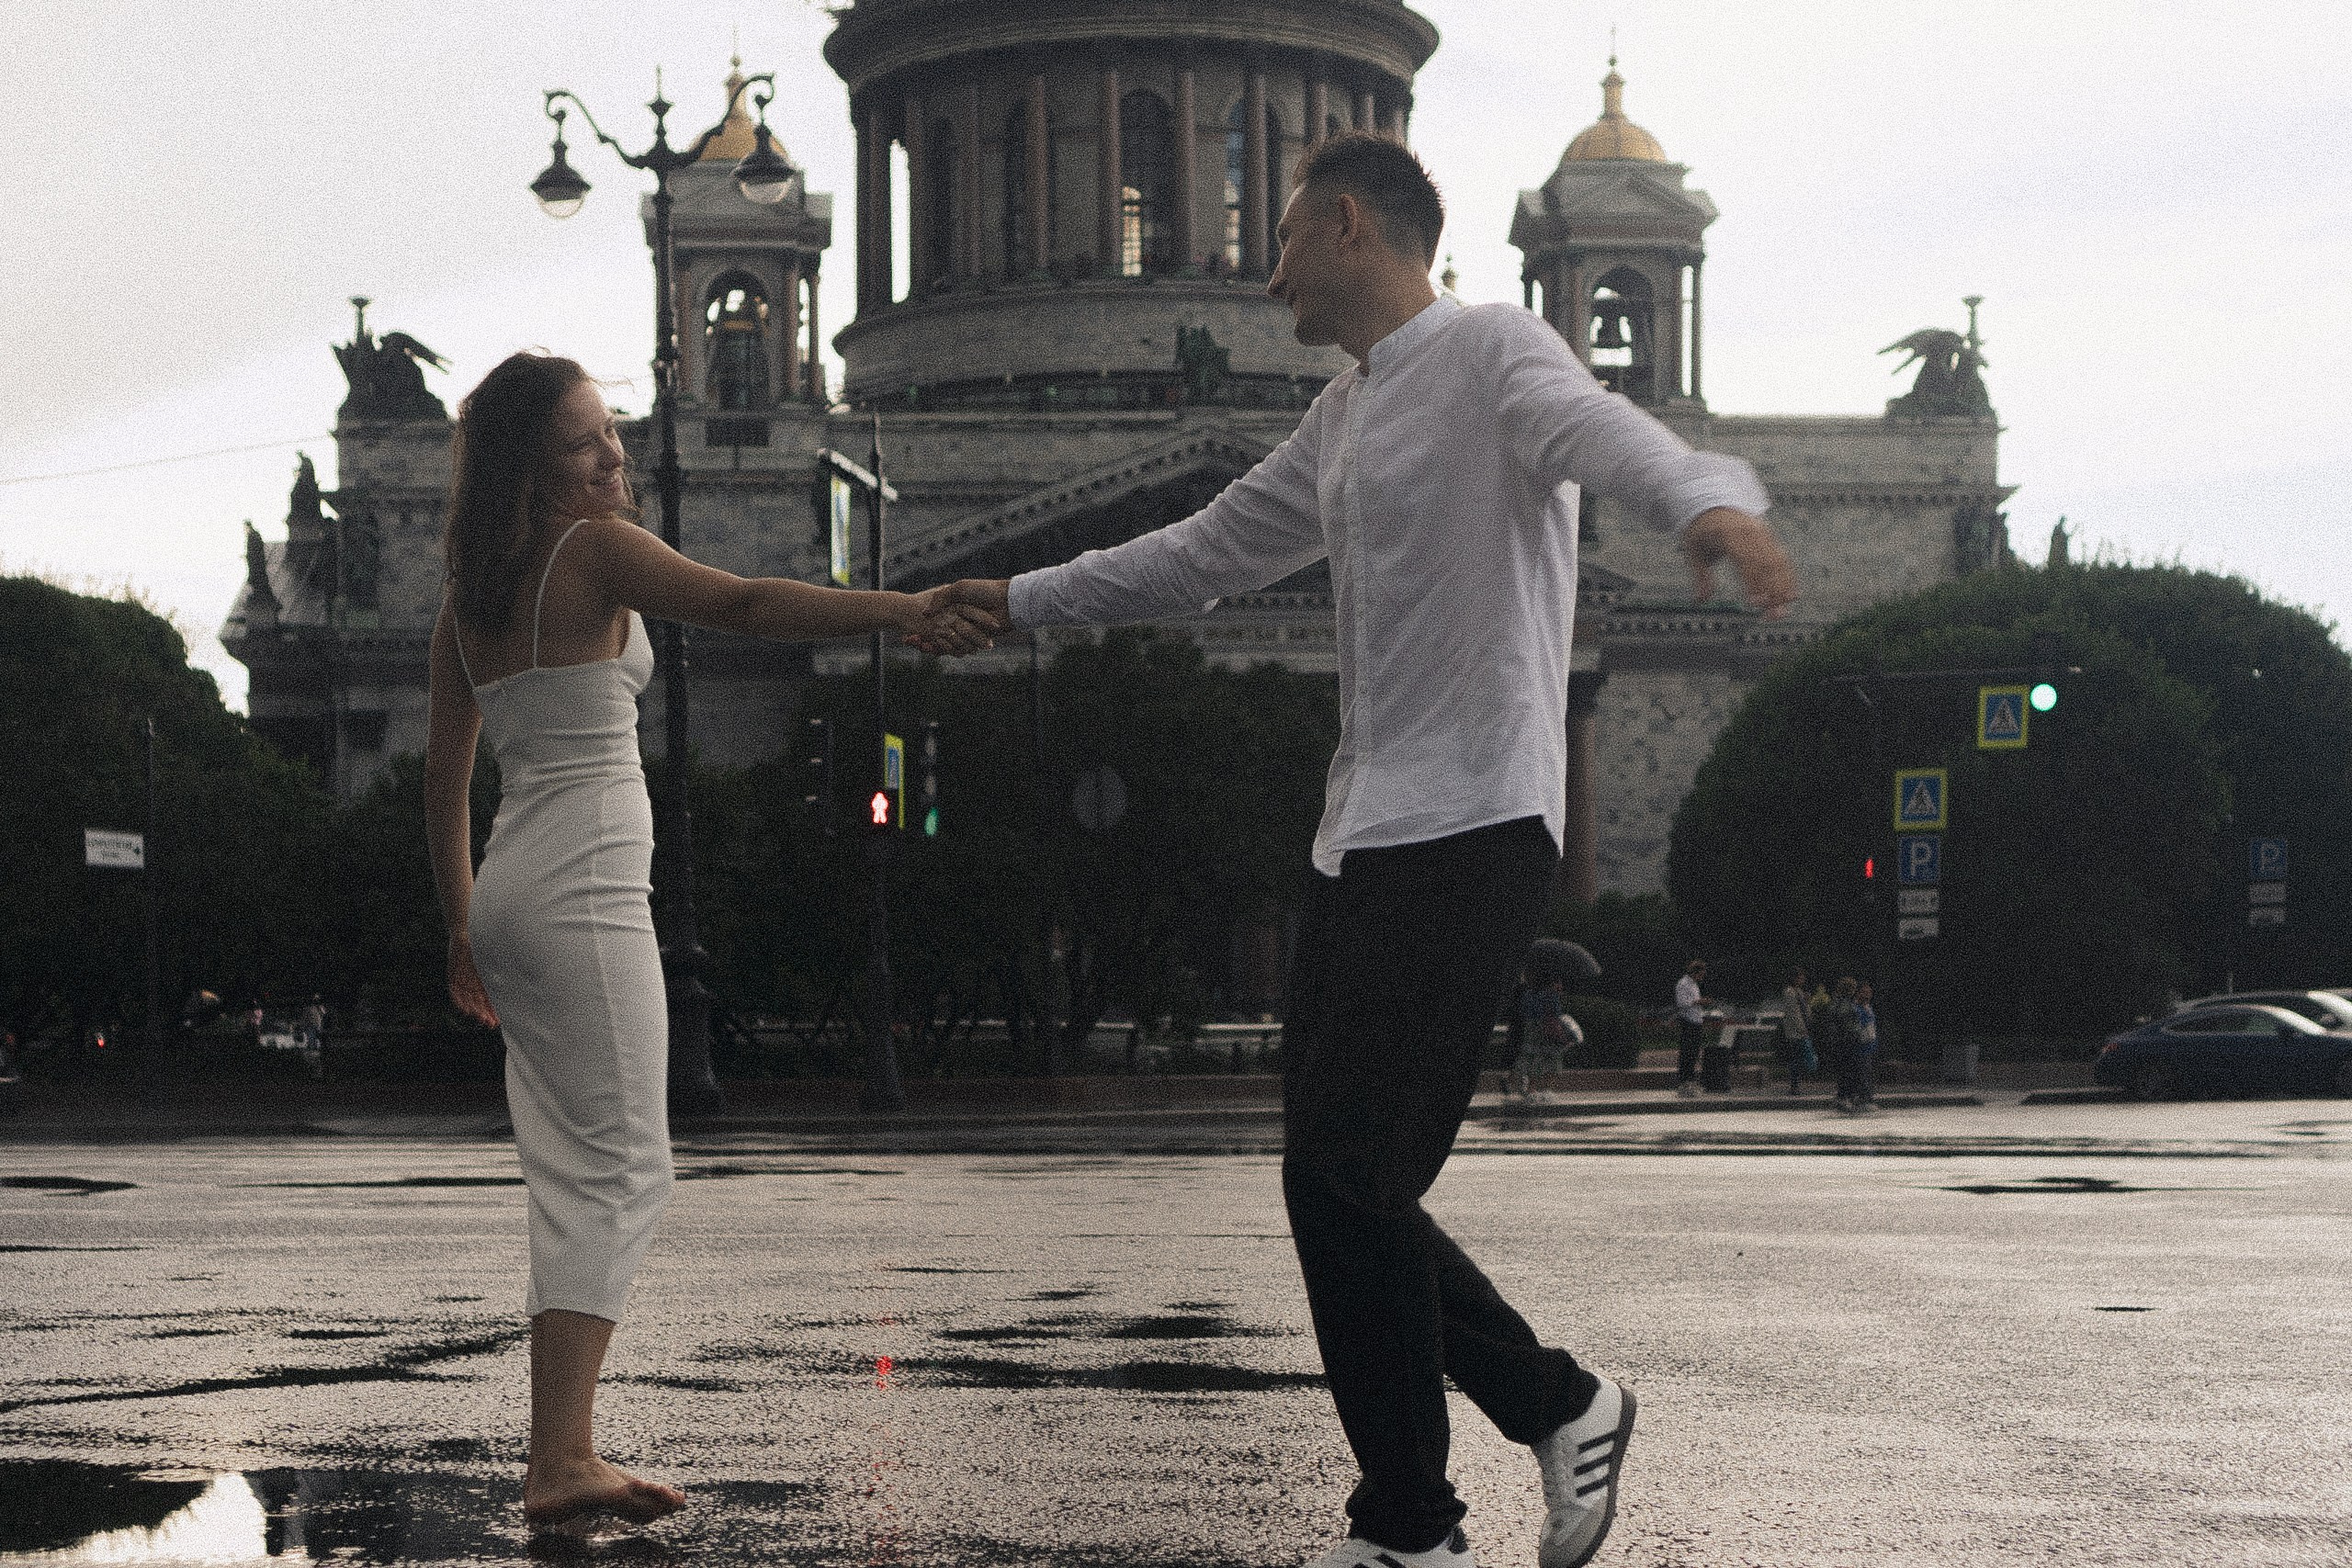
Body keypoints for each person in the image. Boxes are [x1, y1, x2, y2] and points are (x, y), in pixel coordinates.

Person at [933, 133, 1793, 1568]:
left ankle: (1417, 1520)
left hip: (1477, 822)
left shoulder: (1491, 350)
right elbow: (1198, 553)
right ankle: (1546, 1410)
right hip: (1364, 833)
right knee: (1332, 1179)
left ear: (1346, 225)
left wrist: (1714, 501)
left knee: (1352, 1174)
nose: (1266, 275)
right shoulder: (1341, 416)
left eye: (1279, 241)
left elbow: (1607, 433)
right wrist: (1018, 597)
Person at [422, 351, 999, 1535]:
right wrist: (901, 608)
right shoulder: (592, 552)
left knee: (575, 1168)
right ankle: (560, 1458)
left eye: (610, 431)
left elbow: (443, 775)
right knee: (622, 1166)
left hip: (518, 886)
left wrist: (464, 925)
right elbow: (741, 603)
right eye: (584, 442)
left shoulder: (470, 596)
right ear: (533, 469)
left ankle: (559, 1451)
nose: (612, 454)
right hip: (581, 890)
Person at [1508, 974, 1580, 1102]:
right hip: (1547, 1031)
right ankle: (1544, 1090)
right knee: (1553, 1060)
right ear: (1551, 984)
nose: (1560, 986)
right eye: (1558, 982)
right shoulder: (1551, 997)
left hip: (1530, 1029)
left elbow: (1522, 1012)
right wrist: (1564, 1037)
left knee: (1531, 1058)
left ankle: (1528, 1088)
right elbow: (1554, 1018)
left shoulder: (1528, 994)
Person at [1816, 977, 1862, 1111]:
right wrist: (1856, 1032)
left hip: (1839, 1041)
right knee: (1849, 1070)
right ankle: (1846, 1097)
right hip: (1848, 1041)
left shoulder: (1836, 1003)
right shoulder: (1846, 1004)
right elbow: (1847, 1022)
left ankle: (1844, 1096)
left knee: (1844, 1070)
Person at [1673, 959, 1714, 1099]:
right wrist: (1698, 1001)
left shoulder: (1694, 985)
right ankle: (1684, 1082)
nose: (1702, 977)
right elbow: (1681, 1003)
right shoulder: (1683, 984)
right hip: (1688, 1021)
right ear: (1694, 972)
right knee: (1687, 1052)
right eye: (1700, 974)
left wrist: (1701, 1004)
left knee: (1694, 1053)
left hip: (1696, 1021)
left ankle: (1690, 1081)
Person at [1779, 967, 1815, 1095]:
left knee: (1800, 1057)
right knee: (1796, 1058)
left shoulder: (1799, 992)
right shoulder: (1790, 992)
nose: (1803, 979)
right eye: (1800, 977)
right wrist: (1802, 1029)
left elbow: (1805, 1010)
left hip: (1802, 1029)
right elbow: (1794, 1013)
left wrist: (1807, 1002)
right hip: (1795, 1032)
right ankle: (1795, 1085)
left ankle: (1797, 1083)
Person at [1849, 981, 1881, 1111]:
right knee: (1862, 1073)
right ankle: (1864, 1099)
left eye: (1869, 992)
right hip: (1861, 1046)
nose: (1868, 995)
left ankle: (1863, 1097)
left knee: (1867, 1073)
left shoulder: (1867, 1007)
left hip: (1869, 1045)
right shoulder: (1856, 1009)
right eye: (1865, 992)